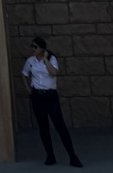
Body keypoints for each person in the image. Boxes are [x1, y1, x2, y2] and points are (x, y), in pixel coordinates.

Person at [22, 36, 83, 168]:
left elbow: (53, 73)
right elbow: (25, 74)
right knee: (43, 127)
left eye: (35, 47)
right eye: (32, 46)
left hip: (50, 96)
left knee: (60, 126)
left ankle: (72, 156)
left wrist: (45, 59)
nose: (33, 49)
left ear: (42, 48)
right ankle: (50, 155)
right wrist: (28, 88)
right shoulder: (30, 61)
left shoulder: (51, 59)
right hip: (37, 96)